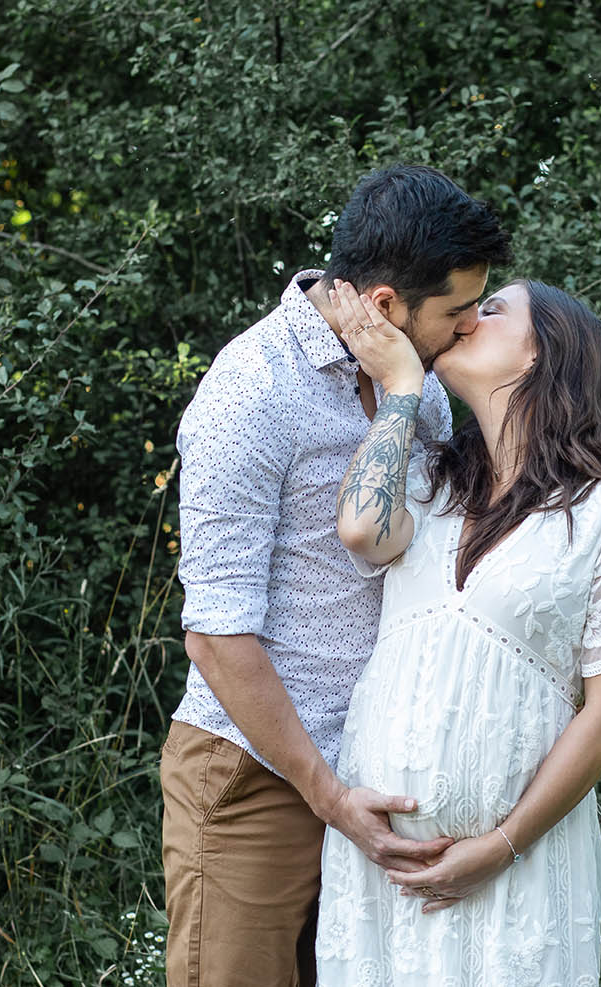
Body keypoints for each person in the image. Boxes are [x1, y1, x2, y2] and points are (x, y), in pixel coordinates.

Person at [161, 164, 513, 987]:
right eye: (457, 311)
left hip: (381, 771)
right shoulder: (249, 394)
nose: (470, 330)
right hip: (257, 771)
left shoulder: (415, 388)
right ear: (386, 305)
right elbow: (216, 634)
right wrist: (326, 793)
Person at [315, 277, 601, 985]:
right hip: (379, 875)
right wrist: (404, 390)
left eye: (494, 309)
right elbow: (357, 528)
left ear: (544, 356)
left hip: (516, 873)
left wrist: (502, 844)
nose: (468, 318)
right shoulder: (426, 476)